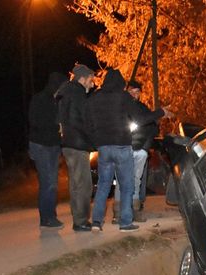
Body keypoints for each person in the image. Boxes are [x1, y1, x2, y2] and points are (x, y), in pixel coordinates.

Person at [86, 68, 166, 233]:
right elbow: (141, 118)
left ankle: (96, 222)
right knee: (127, 185)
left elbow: (88, 123)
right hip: (122, 146)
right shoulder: (123, 97)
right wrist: (161, 112)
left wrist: (96, 143)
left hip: (103, 148)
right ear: (121, 83)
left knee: (103, 185)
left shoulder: (95, 98)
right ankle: (125, 222)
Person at [112, 81, 166, 224]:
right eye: (132, 91)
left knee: (136, 180)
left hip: (140, 150)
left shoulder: (142, 107)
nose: (135, 94)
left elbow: (153, 127)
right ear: (126, 91)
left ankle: (135, 211)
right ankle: (117, 213)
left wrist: (145, 148)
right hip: (123, 147)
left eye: (137, 91)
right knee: (121, 180)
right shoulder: (120, 106)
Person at [56, 63, 96, 232]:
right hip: (77, 143)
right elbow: (83, 121)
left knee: (75, 182)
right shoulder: (78, 93)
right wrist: (93, 141)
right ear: (82, 79)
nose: (92, 84)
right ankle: (81, 221)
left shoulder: (64, 92)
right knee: (84, 184)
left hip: (67, 144)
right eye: (90, 80)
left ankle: (77, 217)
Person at [28, 72, 67, 229]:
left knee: (52, 182)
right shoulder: (40, 99)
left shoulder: (56, 101)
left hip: (53, 146)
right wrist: (56, 126)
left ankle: (49, 215)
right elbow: (34, 121)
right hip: (41, 145)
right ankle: (46, 217)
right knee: (48, 182)